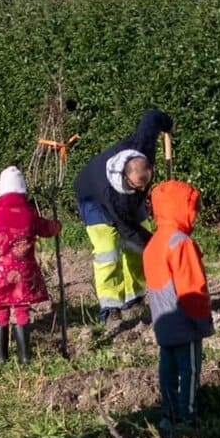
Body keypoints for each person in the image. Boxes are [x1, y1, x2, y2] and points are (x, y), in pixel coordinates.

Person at [73, 109, 173, 331]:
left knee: (136, 249)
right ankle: (111, 308)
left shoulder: (141, 147)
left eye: (147, 184)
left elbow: (150, 118)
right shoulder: (112, 195)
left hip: (125, 200)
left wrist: (167, 124)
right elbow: (127, 226)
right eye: (140, 187)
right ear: (126, 178)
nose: (145, 189)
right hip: (92, 200)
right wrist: (156, 244)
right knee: (108, 249)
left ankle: (134, 298)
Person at [143, 179, 213, 433]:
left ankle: (169, 415)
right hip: (185, 321)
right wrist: (202, 320)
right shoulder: (181, 243)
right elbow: (192, 288)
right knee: (190, 371)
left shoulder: (153, 244)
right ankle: (188, 417)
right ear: (181, 207)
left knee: (168, 369)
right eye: (192, 206)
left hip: (163, 321)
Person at [0, 166, 62, 364]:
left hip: (0, 272)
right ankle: (24, 357)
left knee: (1, 310)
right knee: (22, 309)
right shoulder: (30, 214)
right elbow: (46, 228)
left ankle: (1, 357)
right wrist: (57, 225)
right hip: (25, 272)